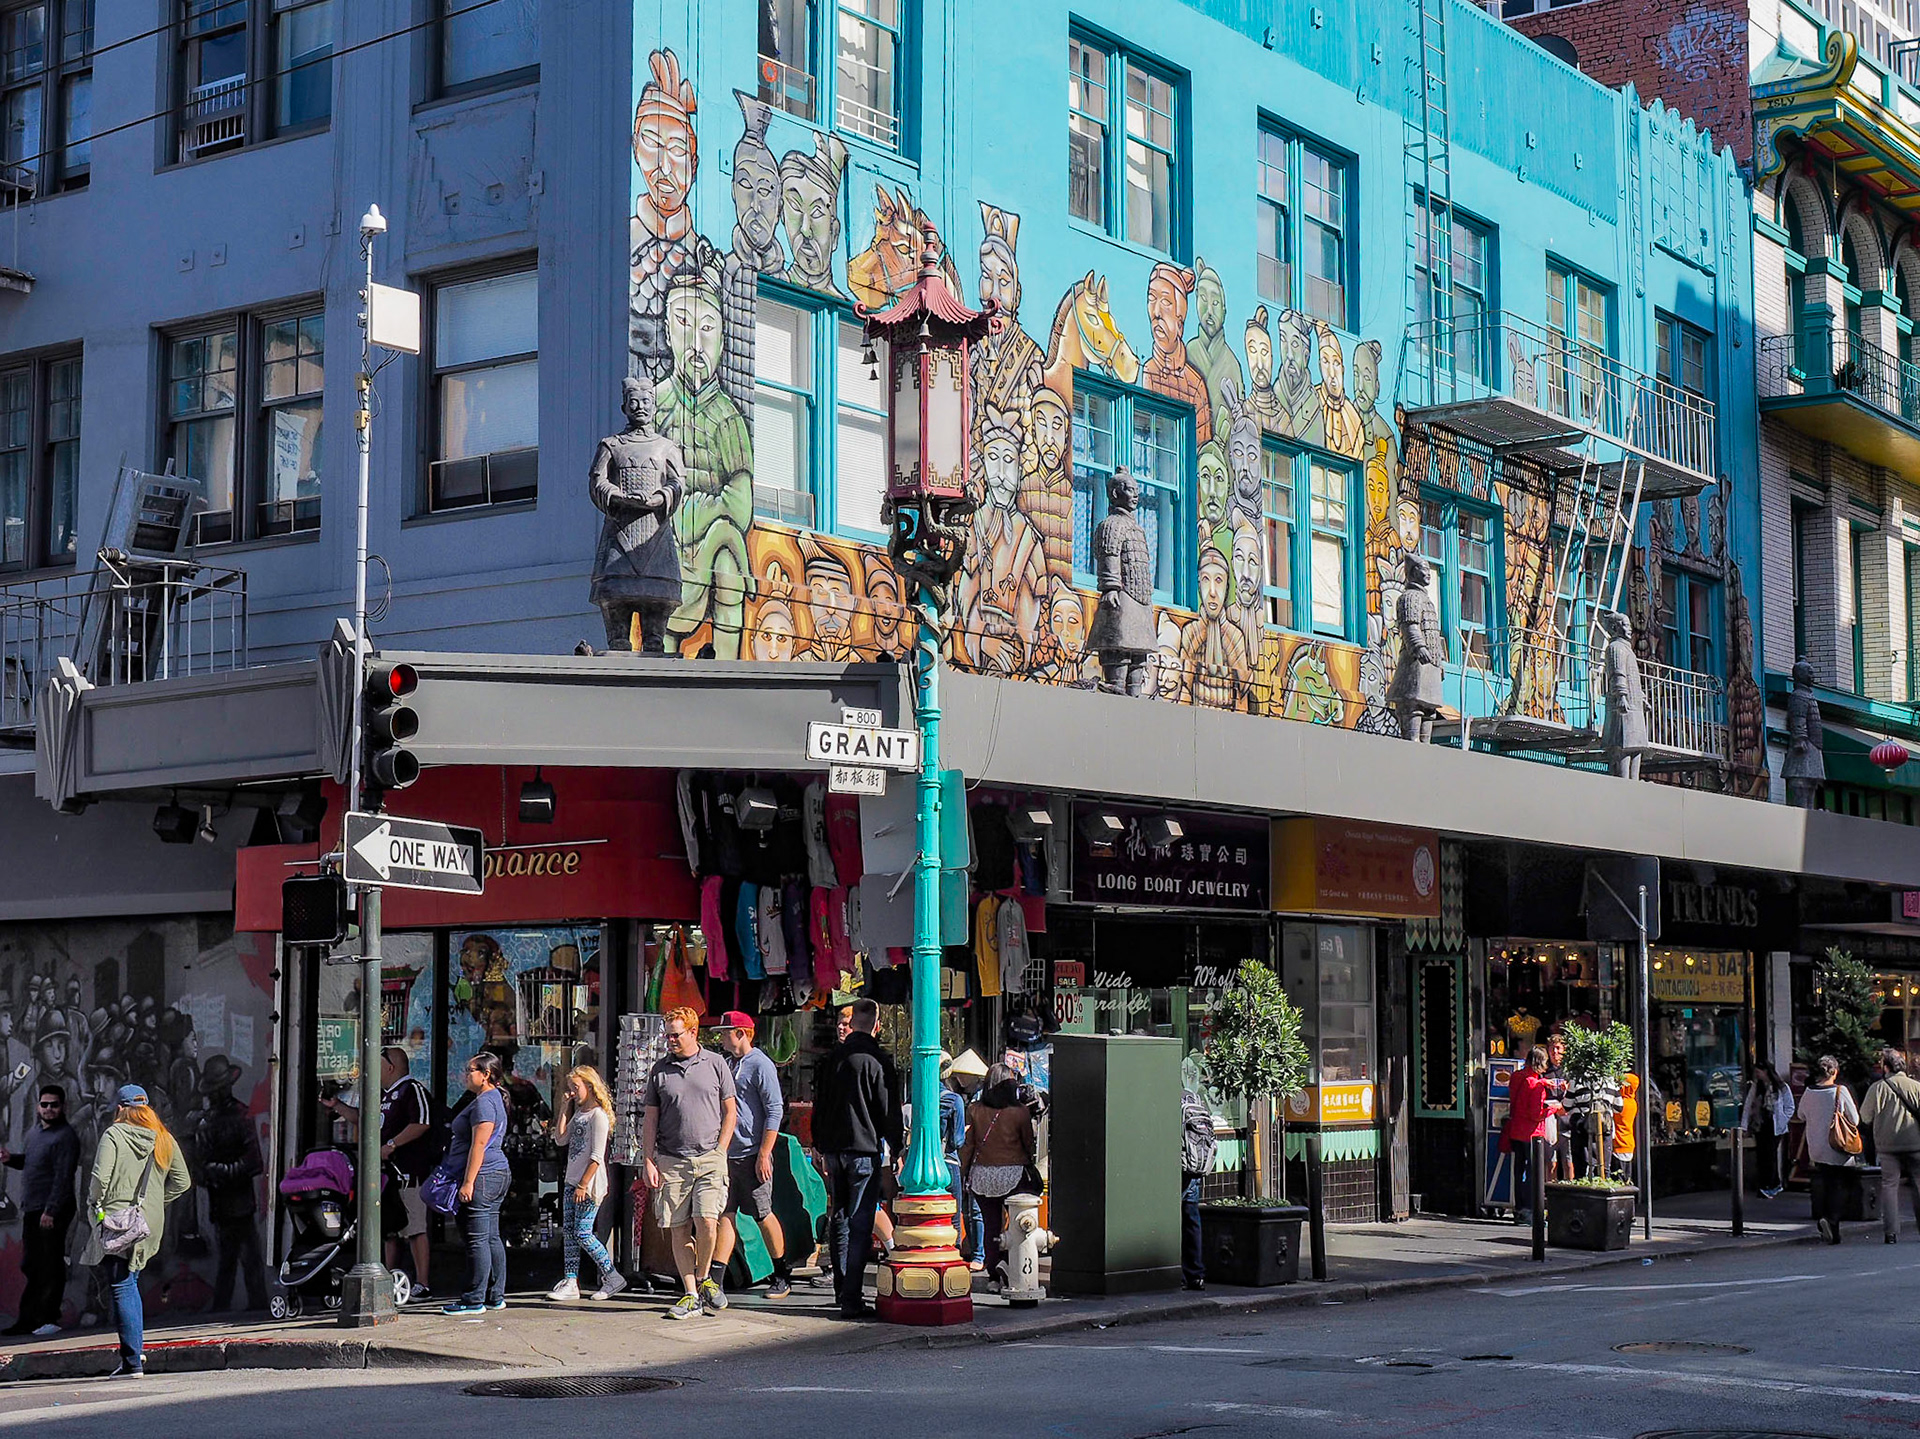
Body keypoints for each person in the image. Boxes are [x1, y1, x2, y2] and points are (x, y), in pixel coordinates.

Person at [82, 1084, 191, 1377]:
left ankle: (132, 1360)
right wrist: (156, 1203)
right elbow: (182, 1182)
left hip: (119, 1220)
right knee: (131, 1280)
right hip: (149, 1222)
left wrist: (94, 1205)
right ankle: (133, 1356)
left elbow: (99, 1178)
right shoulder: (163, 1137)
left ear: (120, 1109)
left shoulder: (114, 1134)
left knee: (121, 1284)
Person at [642, 1006, 737, 1320]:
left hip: (710, 1156)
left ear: (693, 1032)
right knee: (678, 1227)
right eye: (667, 1035)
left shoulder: (715, 1064)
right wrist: (648, 1160)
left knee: (707, 1220)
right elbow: (650, 1120)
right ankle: (691, 1293)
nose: (670, 1041)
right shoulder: (659, 1070)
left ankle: (704, 1275)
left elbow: (730, 1111)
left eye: (676, 1034)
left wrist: (721, 1149)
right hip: (672, 1159)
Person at [814, 997, 902, 1319]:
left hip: (835, 1149)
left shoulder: (831, 1060)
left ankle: (842, 1288)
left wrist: (820, 1144)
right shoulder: (877, 1060)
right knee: (860, 1222)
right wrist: (898, 1145)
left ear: (852, 1025)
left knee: (840, 1217)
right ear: (876, 1026)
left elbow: (819, 1105)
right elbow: (887, 1109)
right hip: (863, 1150)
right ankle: (851, 1296)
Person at [711, 1011, 791, 1299]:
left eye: (725, 1032)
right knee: (725, 1215)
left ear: (741, 1033)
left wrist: (764, 1153)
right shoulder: (728, 1065)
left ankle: (781, 1274)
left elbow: (774, 1109)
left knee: (762, 1213)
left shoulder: (761, 1065)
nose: (721, 1037)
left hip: (751, 1153)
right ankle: (716, 1280)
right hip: (726, 1155)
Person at [1, 1084, 81, 1335]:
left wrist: (52, 1211)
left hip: (52, 1210)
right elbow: (32, 1162)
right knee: (32, 1265)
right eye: (44, 1104)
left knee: (50, 1264)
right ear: (38, 1106)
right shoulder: (35, 1133)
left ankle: (49, 1320)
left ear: (62, 1107)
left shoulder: (65, 1136)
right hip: (34, 1209)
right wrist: (9, 1159)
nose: (48, 1109)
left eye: (54, 1105)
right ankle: (28, 1320)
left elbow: (63, 1177)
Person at [191, 1055, 265, 1313]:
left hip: (239, 1203)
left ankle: (254, 1307)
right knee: (228, 1262)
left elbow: (254, 1162)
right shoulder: (206, 1123)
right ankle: (227, 1308)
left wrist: (219, 1172)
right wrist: (216, 1172)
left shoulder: (241, 1116)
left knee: (247, 1260)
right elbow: (199, 1171)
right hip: (225, 1204)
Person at [547, 1064, 625, 1301]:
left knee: (582, 1232)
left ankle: (612, 1276)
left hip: (588, 1185)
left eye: (576, 1087)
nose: (573, 1092)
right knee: (570, 1232)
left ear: (590, 1087)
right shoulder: (581, 1114)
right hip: (572, 1180)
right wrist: (564, 1107)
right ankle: (571, 1280)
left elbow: (597, 1156)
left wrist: (583, 1184)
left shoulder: (598, 1116)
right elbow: (561, 1139)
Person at [443, 1051, 511, 1315]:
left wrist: (468, 1182)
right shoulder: (490, 1099)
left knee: (478, 1239)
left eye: (471, 1070)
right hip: (495, 1173)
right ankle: (495, 1295)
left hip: (485, 1174)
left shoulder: (485, 1102)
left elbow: (479, 1145)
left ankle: (474, 1299)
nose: (466, 1074)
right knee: (491, 1237)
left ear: (486, 1075)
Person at [958, 1063, 1037, 1287]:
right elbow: (1028, 1144)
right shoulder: (1020, 1112)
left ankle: (994, 1273)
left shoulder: (974, 1109)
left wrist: (965, 1173)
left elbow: (968, 1146)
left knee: (991, 1225)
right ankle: (1015, 1268)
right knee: (1017, 1225)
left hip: (982, 1173)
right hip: (1013, 1171)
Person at [378, 1047, 435, 1300]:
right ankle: (388, 1279)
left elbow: (421, 1123)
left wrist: (392, 1144)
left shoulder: (412, 1089)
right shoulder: (381, 1095)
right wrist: (338, 1106)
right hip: (385, 1175)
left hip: (408, 1171)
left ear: (391, 1067)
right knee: (389, 1230)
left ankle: (422, 1283)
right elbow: (363, 1119)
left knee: (415, 1228)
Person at [1795, 1054, 1858, 1245]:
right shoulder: (1840, 1091)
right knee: (1840, 1185)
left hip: (1817, 1147)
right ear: (1835, 1072)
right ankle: (1832, 1222)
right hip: (1837, 1145)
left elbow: (1800, 1115)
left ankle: (1825, 1220)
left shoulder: (1809, 1092)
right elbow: (1854, 1119)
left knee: (1825, 1182)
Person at [1859, 1048, 1920, 1244]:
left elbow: (1865, 1117)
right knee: (1919, 1185)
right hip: (1914, 1143)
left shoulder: (1877, 1088)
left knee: (1889, 1186)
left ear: (1886, 1067)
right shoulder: (1915, 1086)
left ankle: (1891, 1232)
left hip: (1886, 1146)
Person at [1505, 1047, 1560, 1222]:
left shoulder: (1517, 1077)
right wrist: (1553, 1109)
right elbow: (1536, 1114)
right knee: (1531, 1173)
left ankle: (1520, 1209)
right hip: (1532, 1133)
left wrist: (1543, 1082)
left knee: (1519, 1170)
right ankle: (1529, 1210)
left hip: (1516, 1129)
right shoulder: (1536, 1086)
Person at [947, 1050, 988, 1271]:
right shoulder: (966, 1100)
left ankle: (978, 1252)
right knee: (969, 1208)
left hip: (973, 1159)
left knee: (972, 1208)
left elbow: (961, 1139)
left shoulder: (973, 1102)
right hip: (973, 1159)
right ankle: (976, 1251)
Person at [1179, 1087, 1217, 1292]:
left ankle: (1179, 1274)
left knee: (1175, 1221)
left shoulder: (1162, 1094)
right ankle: (1195, 1274)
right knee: (1191, 1220)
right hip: (1194, 1167)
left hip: (1177, 1167)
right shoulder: (1191, 1095)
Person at [1740, 1061, 1795, 1200]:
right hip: (1761, 1124)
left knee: (1770, 1155)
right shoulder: (1756, 1087)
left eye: (1759, 1072)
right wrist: (1744, 1126)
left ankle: (1769, 1185)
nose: (1757, 1075)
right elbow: (1748, 1106)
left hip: (1775, 1125)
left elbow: (1790, 1106)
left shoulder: (1781, 1087)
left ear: (1766, 1072)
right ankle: (1771, 1184)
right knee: (1762, 1155)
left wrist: (1783, 1119)